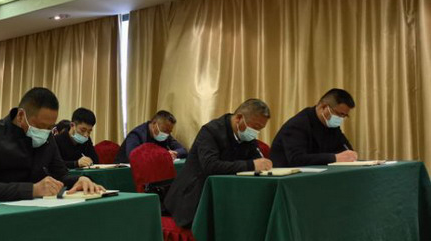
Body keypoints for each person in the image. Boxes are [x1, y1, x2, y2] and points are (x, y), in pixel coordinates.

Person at [0, 87, 104, 201]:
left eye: (50, 127)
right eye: (40, 126)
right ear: (21, 116)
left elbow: (61, 174)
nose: (45, 132)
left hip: (39, 207)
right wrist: (33, 189)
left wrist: (79, 180)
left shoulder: (47, 136)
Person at [165, 99, 272, 229]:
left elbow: (257, 160)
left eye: (260, 129)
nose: (256, 133)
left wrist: (263, 165)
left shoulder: (247, 137)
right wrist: (251, 165)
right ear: (239, 118)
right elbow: (211, 166)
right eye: (255, 127)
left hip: (226, 195)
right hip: (194, 197)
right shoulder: (210, 131)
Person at [269, 89, 358, 166]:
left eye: (345, 116)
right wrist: (334, 158)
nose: (341, 118)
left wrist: (350, 155)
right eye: (339, 114)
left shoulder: (332, 126)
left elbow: (345, 150)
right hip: (289, 176)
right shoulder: (297, 124)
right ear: (324, 107)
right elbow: (296, 159)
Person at [116, 110, 188, 163]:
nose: (167, 134)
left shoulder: (166, 135)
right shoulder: (136, 134)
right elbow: (133, 156)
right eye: (165, 130)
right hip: (124, 172)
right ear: (154, 123)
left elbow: (183, 150)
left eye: (169, 132)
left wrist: (175, 153)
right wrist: (162, 155)